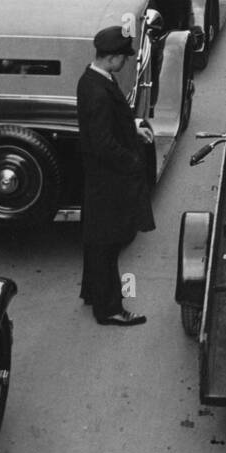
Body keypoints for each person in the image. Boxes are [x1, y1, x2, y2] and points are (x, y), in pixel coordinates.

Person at [77, 27, 154, 326]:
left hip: (100, 178)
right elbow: (102, 142)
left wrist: (132, 126)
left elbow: (109, 122)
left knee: (96, 240)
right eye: (123, 57)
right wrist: (132, 160)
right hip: (109, 179)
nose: (125, 62)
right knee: (109, 243)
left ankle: (93, 292)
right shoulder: (98, 90)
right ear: (110, 58)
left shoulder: (94, 80)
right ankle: (110, 308)